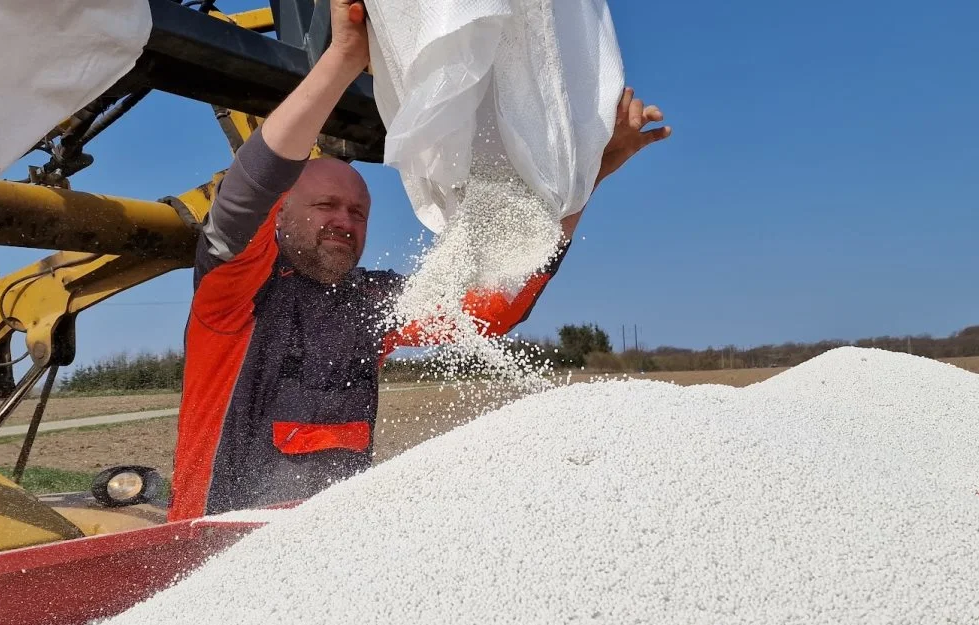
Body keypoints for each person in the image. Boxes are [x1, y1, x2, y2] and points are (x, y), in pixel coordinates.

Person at [168, 0, 671, 521]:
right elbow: (250, 189)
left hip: (328, 547)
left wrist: (582, 184)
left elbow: (486, 313)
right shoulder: (235, 297)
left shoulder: (369, 304)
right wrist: (343, 56)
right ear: (280, 216)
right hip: (209, 551)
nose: (345, 220)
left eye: (359, 212)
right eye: (325, 206)